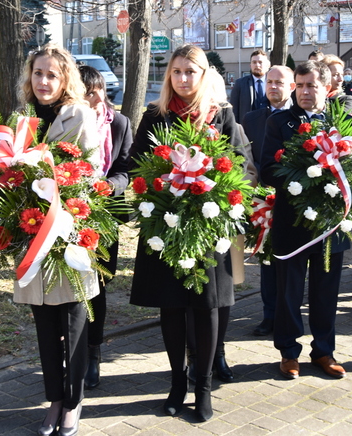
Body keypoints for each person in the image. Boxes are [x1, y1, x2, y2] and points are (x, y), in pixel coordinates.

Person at [129, 44, 243, 422]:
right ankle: (177, 382)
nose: (182, 79)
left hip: (208, 228)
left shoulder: (221, 115)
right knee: (172, 306)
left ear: (203, 74)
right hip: (165, 227)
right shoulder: (155, 117)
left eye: (189, 72)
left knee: (206, 306)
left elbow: (241, 166)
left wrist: (217, 190)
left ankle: (204, 386)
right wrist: (159, 184)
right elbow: (135, 168)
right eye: (176, 72)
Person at [16, 44, 100, 436]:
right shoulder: (23, 119)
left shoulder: (78, 114)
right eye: (38, 74)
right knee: (45, 323)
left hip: (67, 235)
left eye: (52, 74)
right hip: (32, 237)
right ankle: (53, 398)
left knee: (74, 320)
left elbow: (91, 173)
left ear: (65, 78)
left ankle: (74, 399)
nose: (44, 81)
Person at [260, 60, 351, 380]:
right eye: (299, 86)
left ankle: (324, 351)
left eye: (311, 85)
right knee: (289, 292)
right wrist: (302, 175)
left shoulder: (340, 122)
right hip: (292, 222)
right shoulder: (279, 123)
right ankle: (288, 352)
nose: (305, 92)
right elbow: (267, 170)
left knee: (326, 292)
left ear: (327, 87)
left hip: (329, 223)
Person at [78, 64, 132, 391]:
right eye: (88, 91)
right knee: (73, 281)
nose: (97, 96)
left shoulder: (120, 123)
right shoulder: (67, 121)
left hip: (106, 215)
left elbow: (126, 167)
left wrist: (109, 185)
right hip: (70, 213)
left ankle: (93, 351)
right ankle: (74, 349)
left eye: (99, 89)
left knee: (98, 282)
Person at [241, 65, 295, 337]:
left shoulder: (299, 118)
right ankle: (269, 314)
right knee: (266, 259)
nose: (273, 86)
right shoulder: (251, 118)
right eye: (270, 82)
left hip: (291, 196)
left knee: (289, 261)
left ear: (292, 86)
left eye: (279, 82)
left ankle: (289, 313)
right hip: (261, 197)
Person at [229, 50, 271, 122]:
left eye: (260, 62)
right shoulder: (240, 83)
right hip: (247, 128)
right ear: (250, 65)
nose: (257, 65)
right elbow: (234, 110)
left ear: (268, 65)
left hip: (269, 127)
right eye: (254, 62)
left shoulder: (273, 83)